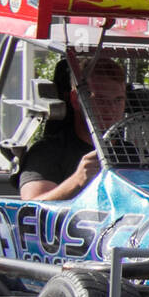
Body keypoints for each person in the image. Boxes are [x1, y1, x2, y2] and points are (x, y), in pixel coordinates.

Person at [18, 57, 127, 201]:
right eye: (100, 99)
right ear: (76, 99)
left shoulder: (134, 155)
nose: (111, 108)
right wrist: (77, 179)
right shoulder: (48, 152)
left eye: (118, 100)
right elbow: (31, 207)